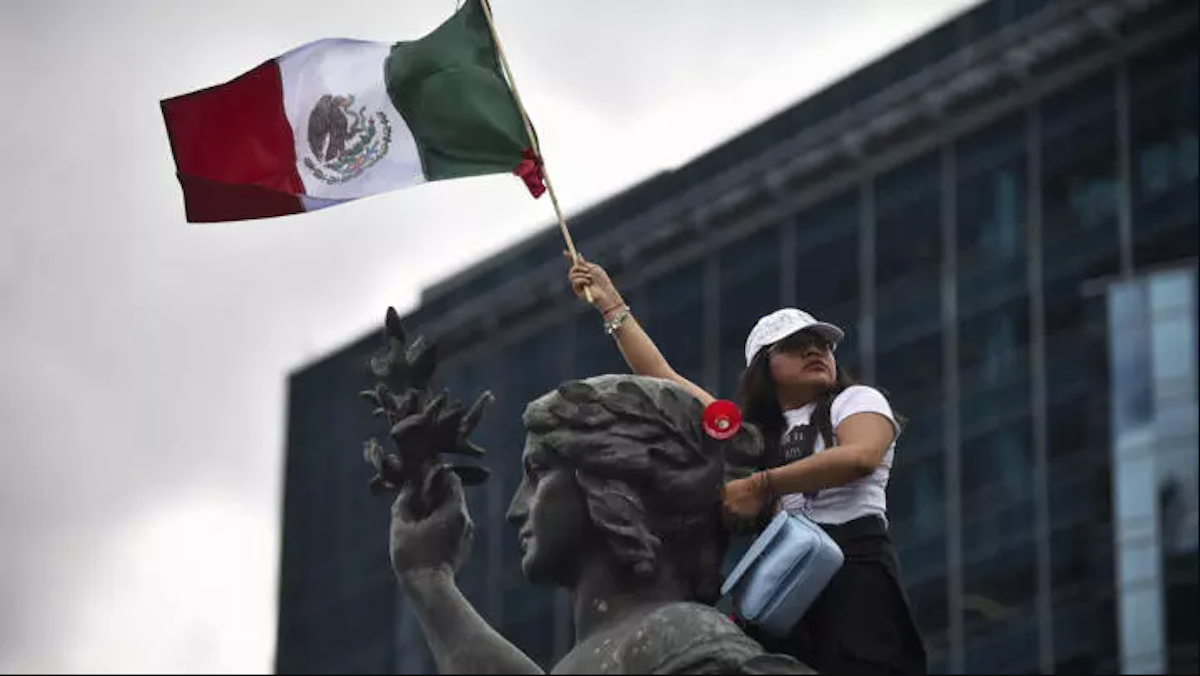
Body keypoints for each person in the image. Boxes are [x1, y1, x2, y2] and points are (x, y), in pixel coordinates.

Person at [567, 253, 927, 675]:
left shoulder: (856, 401)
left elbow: (859, 457)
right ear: (764, 365)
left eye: (823, 344)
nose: (816, 351)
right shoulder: (754, 434)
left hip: (856, 572)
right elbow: (666, 379)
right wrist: (611, 304)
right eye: (795, 345)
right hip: (786, 584)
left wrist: (759, 485)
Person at [378, 372, 814, 674]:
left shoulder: (676, 635)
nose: (515, 509)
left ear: (608, 478)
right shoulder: (630, 646)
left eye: (536, 474)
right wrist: (427, 578)